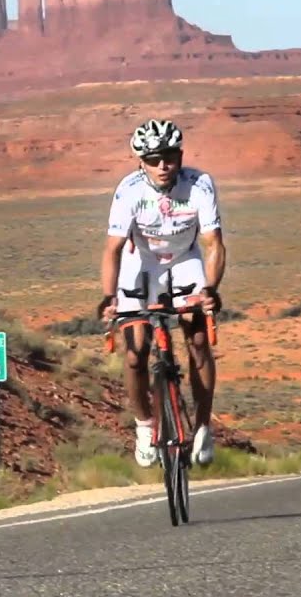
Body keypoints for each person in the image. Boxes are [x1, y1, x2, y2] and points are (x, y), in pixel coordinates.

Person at [97, 118, 225, 468]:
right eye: (153, 159)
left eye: (169, 157)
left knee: (197, 338)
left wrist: (210, 290)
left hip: (185, 259)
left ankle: (201, 427)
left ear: (180, 156)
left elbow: (213, 244)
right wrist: (110, 298)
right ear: (141, 162)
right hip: (141, 263)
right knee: (136, 352)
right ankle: (143, 425)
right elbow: (112, 249)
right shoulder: (129, 190)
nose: (162, 166)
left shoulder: (200, 184)